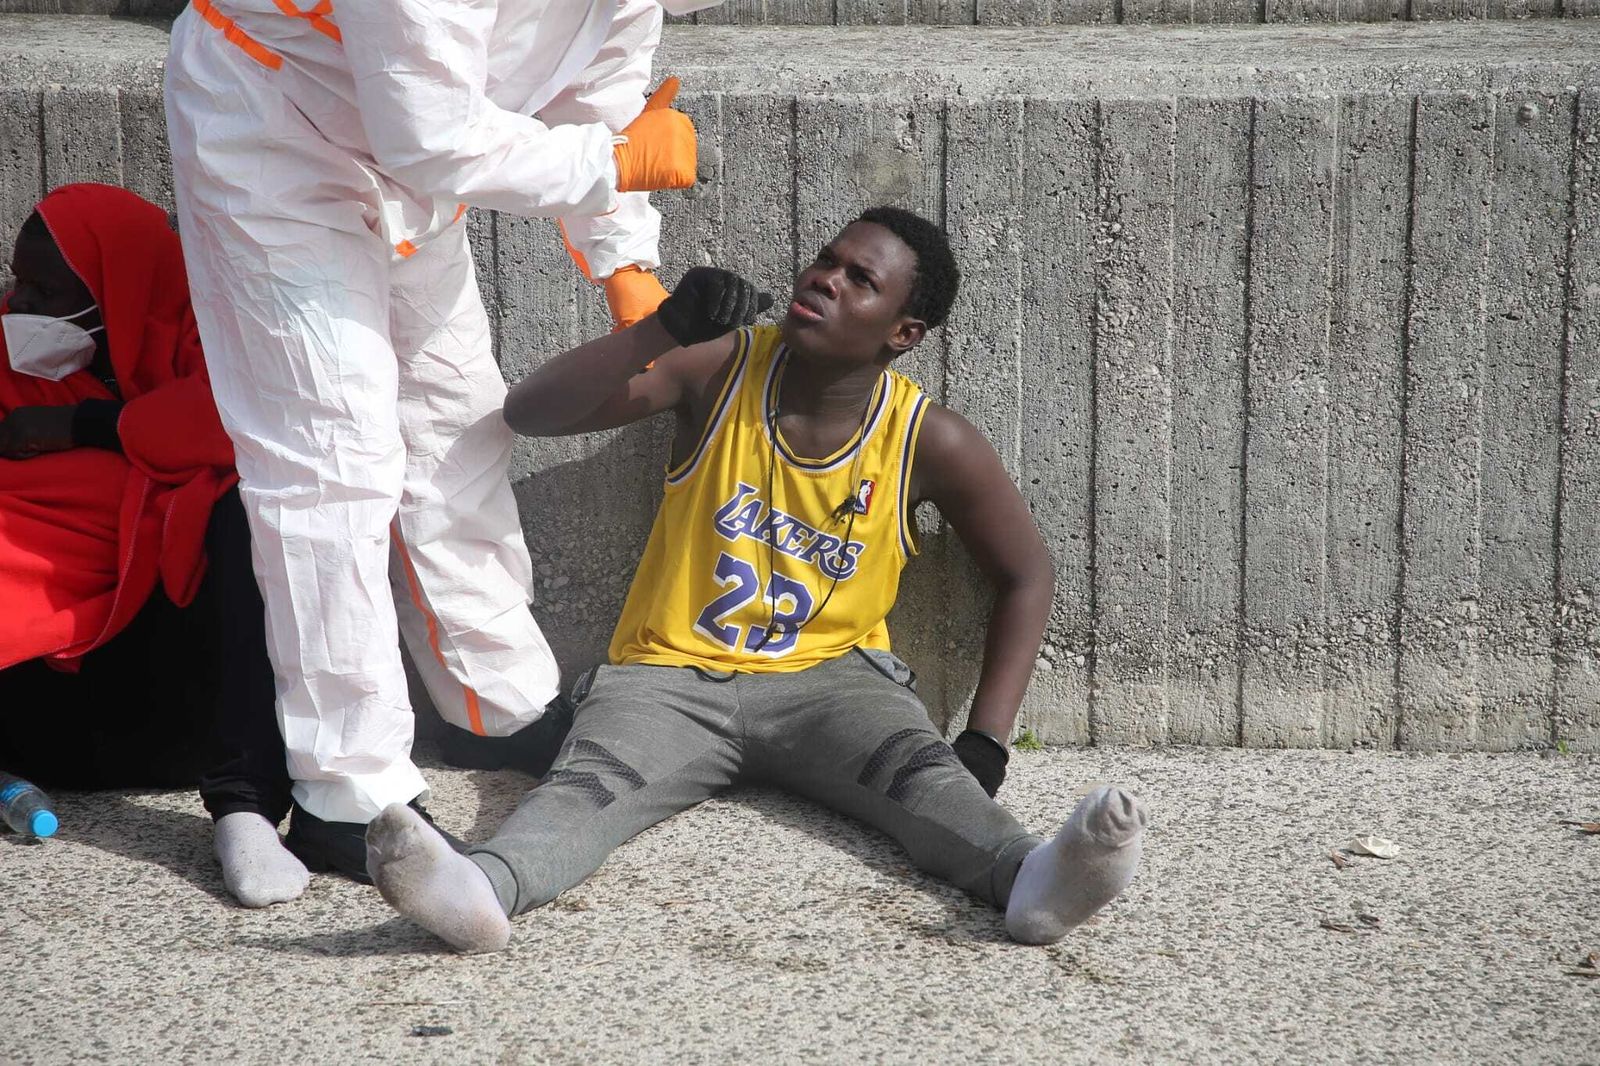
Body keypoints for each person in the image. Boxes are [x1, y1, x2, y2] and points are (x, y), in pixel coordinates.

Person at [363, 206, 1150, 953]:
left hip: (835, 686)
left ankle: (1034, 882)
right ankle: (481, 891)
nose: (826, 280)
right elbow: (532, 412)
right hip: (669, 680)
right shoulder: (723, 369)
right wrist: (664, 328)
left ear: (904, 333)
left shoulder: (928, 438)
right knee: (582, 793)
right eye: (826, 260)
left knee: (926, 782)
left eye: (860, 281)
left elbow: (1025, 575)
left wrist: (986, 738)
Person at [163, 0, 721, 878]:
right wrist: (604, 164)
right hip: (274, 121)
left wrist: (626, 263)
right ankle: (344, 792)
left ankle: (497, 707)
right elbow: (434, 136)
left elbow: (601, 90)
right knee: (330, 456)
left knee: (456, 417)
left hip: (404, 144)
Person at [0, 183, 304, 908]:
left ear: (122, 290)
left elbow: (236, 422)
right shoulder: (11, 356)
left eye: (47, 288)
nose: (23, 306)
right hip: (40, 719)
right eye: (19, 281)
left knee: (246, 508)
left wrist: (91, 433)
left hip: (182, 708)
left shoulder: (219, 338)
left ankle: (243, 807)